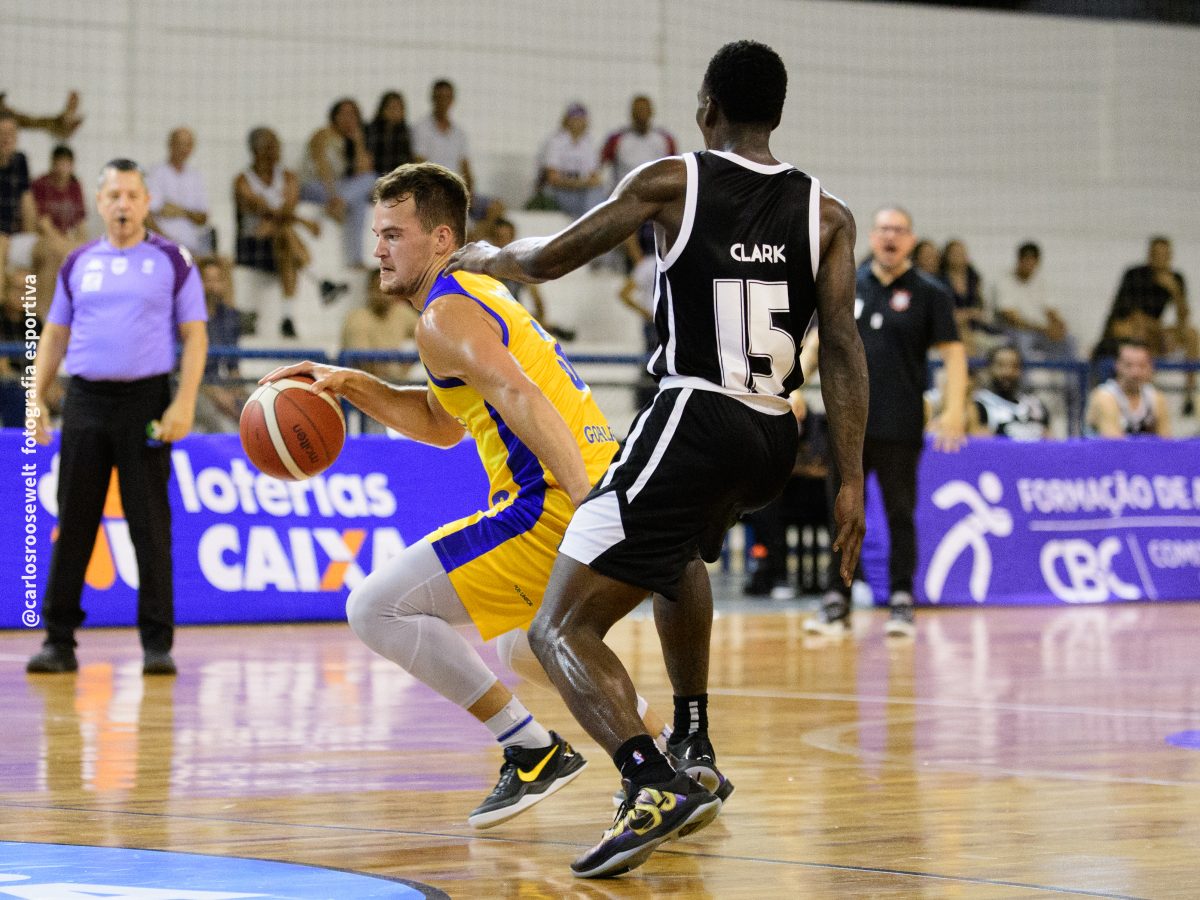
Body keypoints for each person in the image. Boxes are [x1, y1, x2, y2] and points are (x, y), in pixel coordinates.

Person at [448, 39, 869, 878]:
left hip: (696, 415)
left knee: (559, 627)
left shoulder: (674, 181)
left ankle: (649, 781)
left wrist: (487, 258)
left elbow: (552, 259)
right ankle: (694, 743)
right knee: (677, 559)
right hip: (775, 435)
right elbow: (846, 350)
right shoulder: (828, 214)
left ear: (707, 107)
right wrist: (851, 478)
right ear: (777, 113)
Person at [260, 162, 669, 830]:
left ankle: (532, 750)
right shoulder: (473, 292)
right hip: (592, 479)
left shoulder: (443, 315)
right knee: (523, 646)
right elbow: (444, 424)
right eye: (376, 234)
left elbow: (518, 394)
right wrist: (354, 384)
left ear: (442, 238)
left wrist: (586, 501)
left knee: (375, 607)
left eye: (394, 234)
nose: (378, 249)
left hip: (553, 501)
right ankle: (666, 756)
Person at [25, 159, 208, 676]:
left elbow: (195, 335)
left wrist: (184, 402)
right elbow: (54, 335)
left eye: (132, 195)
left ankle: (157, 645)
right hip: (85, 401)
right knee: (74, 522)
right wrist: (34, 397)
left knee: (149, 526)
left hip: (146, 402)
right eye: (114, 196)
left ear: (146, 202)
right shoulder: (77, 261)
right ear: (99, 203)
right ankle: (58, 642)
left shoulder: (173, 259)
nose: (123, 204)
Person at [802, 205, 967, 640]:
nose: (890, 237)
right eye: (883, 230)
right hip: (846, 427)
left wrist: (954, 410)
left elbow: (953, 354)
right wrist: (793, 386)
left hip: (900, 424)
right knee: (842, 513)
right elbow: (816, 342)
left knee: (899, 513)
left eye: (899, 230)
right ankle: (836, 599)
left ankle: (901, 598)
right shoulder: (847, 282)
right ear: (872, 238)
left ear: (910, 240)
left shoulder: (930, 292)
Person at [234, 126, 324, 338]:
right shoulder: (242, 181)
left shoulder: (288, 176)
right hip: (253, 246)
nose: (277, 150)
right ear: (257, 150)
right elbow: (262, 208)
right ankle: (320, 280)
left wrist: (275, 217)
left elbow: (285, 209)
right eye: (271, 146)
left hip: (278, 243)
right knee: (284, 231)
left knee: (285, 246)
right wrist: (301, 221)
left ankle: (287, 319)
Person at [1097, 236, 1197, 414]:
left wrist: (1175, 291)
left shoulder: (1175, 278)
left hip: (1156, 331)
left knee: (1192, 334)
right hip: (1130, 329)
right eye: (1157, 254)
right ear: (1150, 255)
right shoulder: (1135, 275)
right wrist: (1159, 331)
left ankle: (1189, 394)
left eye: (1165, 255)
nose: (1161, 259)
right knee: (1141, 332)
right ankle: (1145, 393)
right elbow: (1132, 315)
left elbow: (1183, 319)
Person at [300, 98, 378, 269]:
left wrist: (358, 142)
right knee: (355, 196)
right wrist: (333, 196)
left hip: (338, 192)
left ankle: (354, 260)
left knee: (366, 186)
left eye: (353, 115)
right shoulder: (322, 135)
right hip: (314, 186)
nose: (349, 119)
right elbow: (322, 167)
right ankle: (339, 202)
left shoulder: (348, 142)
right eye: (344, 114)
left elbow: (363, 172)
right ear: (334, 116)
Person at [412, 79, 503, 225]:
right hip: (435, 192)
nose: (443, 101)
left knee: (497, 207)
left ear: (452, 100)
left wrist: (469, 192)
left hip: (458, 192)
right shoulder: (421, 128)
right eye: (439, 97)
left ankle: (476, 233)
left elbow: (465, 167)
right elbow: (420, 166)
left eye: (446, 97)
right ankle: (471, 233)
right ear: (432, 99)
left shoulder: (459, 133)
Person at [22, 144, 87, 317]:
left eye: (66, 164)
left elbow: (81, 223)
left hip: (64, 240)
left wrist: (82, 245)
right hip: (40, 238)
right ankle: (41, 315)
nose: (62, 168)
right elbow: (43, 224)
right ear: (52, 164)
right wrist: (66, 246)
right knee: (55, 256)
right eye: (59, 163)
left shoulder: (75, 185)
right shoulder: (41, 184)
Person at [992, 241, 1076, 361]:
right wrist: (1044, 329)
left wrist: (1059, 325)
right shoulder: (1004, 281)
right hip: (1015, 330)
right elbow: (1011, 317)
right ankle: (1027, 373)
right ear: (1019, 260)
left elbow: (1050, 309)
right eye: (1026, 261)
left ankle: (1065, 373)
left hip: (1040, 330)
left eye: (1032, 261)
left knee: (1069, 340)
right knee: (1023, 341)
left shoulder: (1041, 281)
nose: (1029, 265)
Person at [193, 256, 246, 433]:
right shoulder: (187, 317)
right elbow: (181, 369)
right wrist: (214, 393)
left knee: (255, 411)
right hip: (191, 387)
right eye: (207, 280)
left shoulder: (229, 316)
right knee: (217, 423)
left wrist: (237, 392)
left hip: (219, 384)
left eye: (217, 280)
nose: (212, 286)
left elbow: (233, 366)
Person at [146, 127, 214, 257]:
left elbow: (203, 217)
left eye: (188, 145)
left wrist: (180, 211)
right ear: (170, 145)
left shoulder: (196, 177)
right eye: (180, 144)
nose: (183, 149)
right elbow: (148, 214)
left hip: (192, 247)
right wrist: (168, 243)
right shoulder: (156, 173)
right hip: (163, 248)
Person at [1086, 340, 1171, 437]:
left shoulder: (1156, 398)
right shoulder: (1104, 397)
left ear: (1150, 367)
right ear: (1117, 365)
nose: (1135, 372)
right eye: (1128, 365)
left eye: (1142, 366)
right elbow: (1112, 442)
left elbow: (1166, 440)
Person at [968, 344, 1050, 441]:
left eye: (1014, 366)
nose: (1008, 372)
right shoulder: (979, 404)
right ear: (989, 368)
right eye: (1001, 365)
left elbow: (1050, 439)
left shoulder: (1034, 404)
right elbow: (976, 440)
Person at [539, 102, 605, 220]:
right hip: (559, 191)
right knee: (586, 201)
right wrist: (577, 183)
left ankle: (592, 223)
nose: (578, 122)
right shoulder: (556, 141)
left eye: (581, 119)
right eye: (575, 119)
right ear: (567, 120)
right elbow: (552, 178)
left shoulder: (588, 143)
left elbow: (595, 178)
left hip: (581, 190)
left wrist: (581, 184)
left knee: (596, 193)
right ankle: (589, 224)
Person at [600, 95, 677, 189]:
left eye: (644, 110)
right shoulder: (617, 139)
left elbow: (675, 168)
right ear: (632, 114)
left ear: (651, 112)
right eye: (638, 111)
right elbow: (600, 165)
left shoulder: (665, 140)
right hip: (625, 193)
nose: (641, 115)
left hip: (657, 192)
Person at [0, 112, 31, 299]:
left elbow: (27, 202)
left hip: (15, 236)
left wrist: (31, 236)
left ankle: (37, 315)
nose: (6, 138)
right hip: (2, 238)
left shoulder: (20, 161)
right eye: (2, 133)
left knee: (51, 251)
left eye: (10, 133)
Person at [365, 90, 414, 176]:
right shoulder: (371, 130)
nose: (396, 112)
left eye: (400, 108)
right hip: (374, 176)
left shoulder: (406, 132)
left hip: (398, 177)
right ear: (383, 109)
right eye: (393, 107)